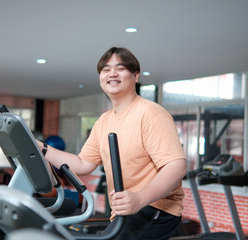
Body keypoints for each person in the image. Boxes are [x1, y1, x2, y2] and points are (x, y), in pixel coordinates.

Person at [38, 47, 186, 239]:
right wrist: (40, 148)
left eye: (120, 68)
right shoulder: (104, 121)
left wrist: (140, 198)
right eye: (106, 69)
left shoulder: (150, 113)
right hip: (125, 211)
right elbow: (83, 164)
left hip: (155, 209)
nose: (112, 74)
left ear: (135, 75)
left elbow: (176, 165)